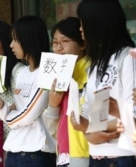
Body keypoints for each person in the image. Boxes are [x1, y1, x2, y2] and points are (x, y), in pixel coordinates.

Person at [0, 15, 57, 167]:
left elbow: (28, 114)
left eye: (15, 40)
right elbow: (15, 111)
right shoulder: (23, 73)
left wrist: (7, 113)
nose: (11, 45)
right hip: (13, 151)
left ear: (28, 39)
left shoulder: (47, 72)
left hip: (36, 153)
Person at [70, 0, 136, 166]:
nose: (80, 29)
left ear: (98, 23)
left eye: (83, 23)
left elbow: (135, 116)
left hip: (123, 156)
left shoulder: (128, 58)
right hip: (95, 156)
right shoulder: (95, 64)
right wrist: (87, 131)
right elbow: (90, 113)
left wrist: (93, 129)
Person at [49, 17, 89, 167]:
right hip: (63, 155)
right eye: (55, 42)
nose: (59, 48)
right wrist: (53, 105)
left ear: (82, 44)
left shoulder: (91, 73)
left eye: (65, 42)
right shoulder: (57, 76)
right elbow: (52, 128)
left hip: (85, 154)